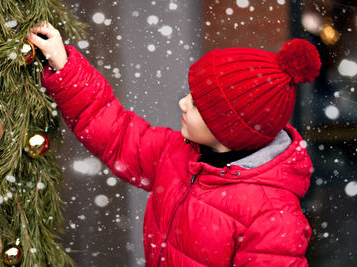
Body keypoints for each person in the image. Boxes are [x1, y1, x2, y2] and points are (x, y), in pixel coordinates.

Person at [27, 21, 321, 266]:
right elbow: (113, 130)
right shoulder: (177, 152)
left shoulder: (273, 217)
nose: (182, 103)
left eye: (195, 105)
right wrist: (64, 67)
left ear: (226, 130)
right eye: (189, 93)